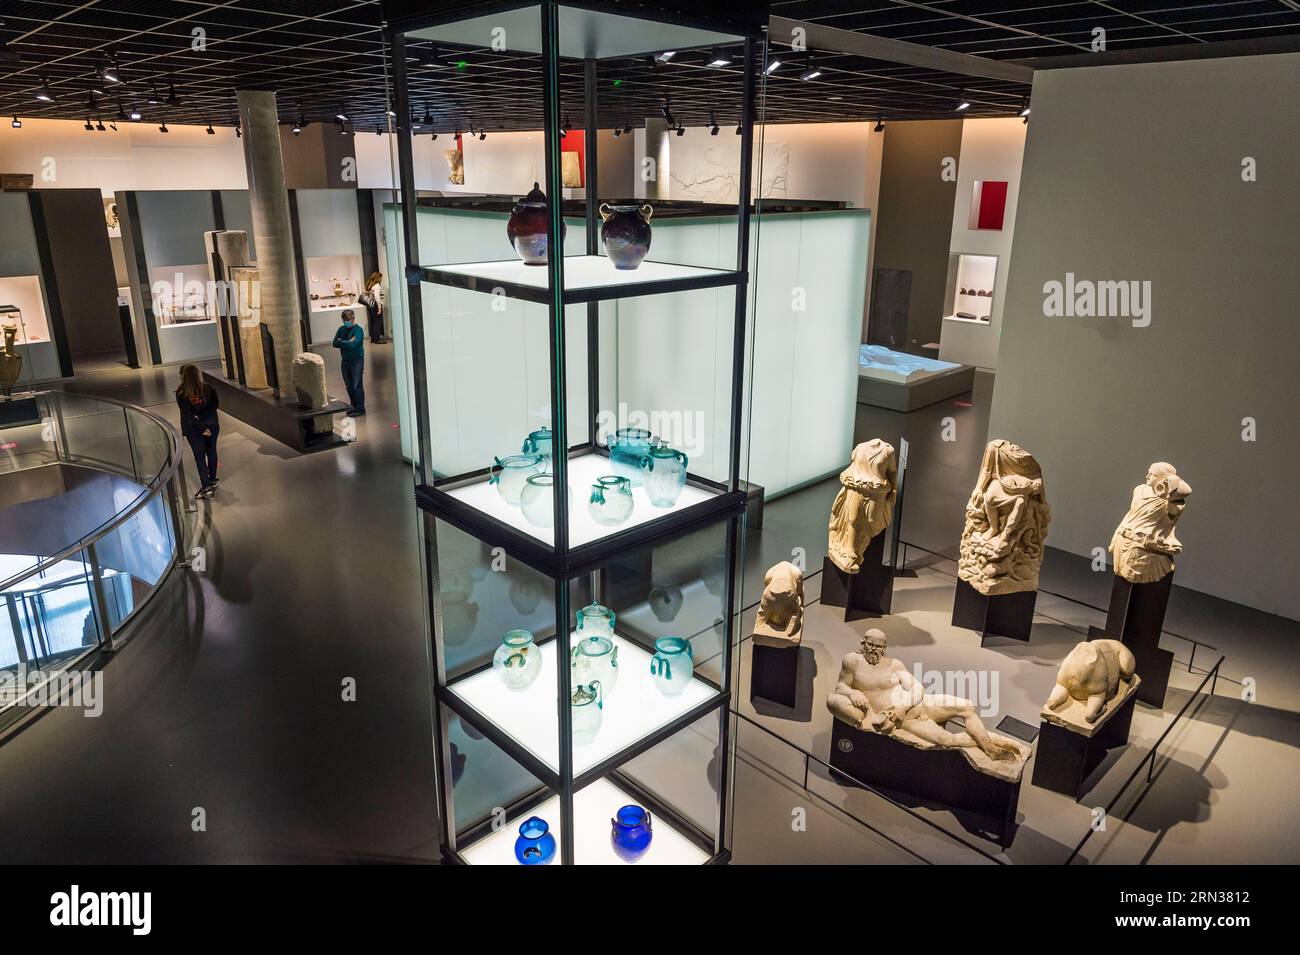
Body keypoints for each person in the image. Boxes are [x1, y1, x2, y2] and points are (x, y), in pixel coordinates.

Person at [175, 363, 221, 498]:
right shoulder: (209, 388)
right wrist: (206, 424)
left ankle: (206, 486)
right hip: (212, 425)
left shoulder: (181, 394)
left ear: (183, 377)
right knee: (212, 451)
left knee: (200, 457)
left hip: (194, 429)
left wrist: (202, 426)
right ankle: (212, 480)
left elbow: (188, 415)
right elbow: (215, 405)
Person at [332, 308, 366, 417]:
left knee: (356, 385)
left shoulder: (358, 330)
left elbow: (353, 344)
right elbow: (334, 343)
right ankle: (353, 406)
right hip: (345, 361)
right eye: (345, 321)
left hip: (357, 360)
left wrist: (341, 342)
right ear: (342, 320)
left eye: (349, 320)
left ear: (353, 319)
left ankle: (360, 408)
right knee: (349, 385)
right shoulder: (341, 329)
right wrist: (346, 342)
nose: (347, 322)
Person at [359, 271, 387, 344]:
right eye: (381, 277)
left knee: (373, 322)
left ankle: (373, 339)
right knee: (377, 322)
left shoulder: (370, 285)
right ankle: (377, 339)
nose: (381, 279)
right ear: (378, 278)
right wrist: (379, 308)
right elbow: (377, 297)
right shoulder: (377, 285)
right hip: (375, 306)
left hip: (370, 306)